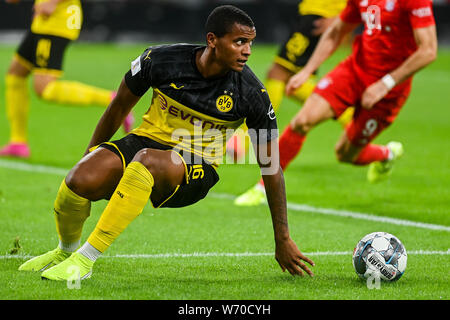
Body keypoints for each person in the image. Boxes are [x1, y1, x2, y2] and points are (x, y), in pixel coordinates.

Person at [18, 5, 315, 281]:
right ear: (212, 40)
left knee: (146, 159)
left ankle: (85, 261)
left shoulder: (251, 94)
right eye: (239, 42)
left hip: (197, 167)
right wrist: (90, 154)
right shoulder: (161, 60)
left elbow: (271, 167)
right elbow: (117, 108)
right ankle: (65, 251)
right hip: (146, 141)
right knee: (77, 182)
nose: (247, 51)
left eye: (250, 42)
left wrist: (283, 239)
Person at [235, 0, 437, 206]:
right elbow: (336, 32)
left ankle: (387, 153)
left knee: (345, 154)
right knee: (302, 121)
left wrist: (385, 84)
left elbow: (429, 50)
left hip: (390, 89)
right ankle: (263, 188)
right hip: (354, 71)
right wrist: (305, 71)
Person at [0, 0, 134, 158]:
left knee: (44, 89)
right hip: (42, 21)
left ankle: (112, 100)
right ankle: (18, 142)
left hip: (56, 22)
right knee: (16, 74)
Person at [226, 0, 351, 162]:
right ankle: (349, 115)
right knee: (291, 82)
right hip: (310, 13)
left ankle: (242, 139)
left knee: (277, 73)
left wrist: (339, 18)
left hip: (319, 15)